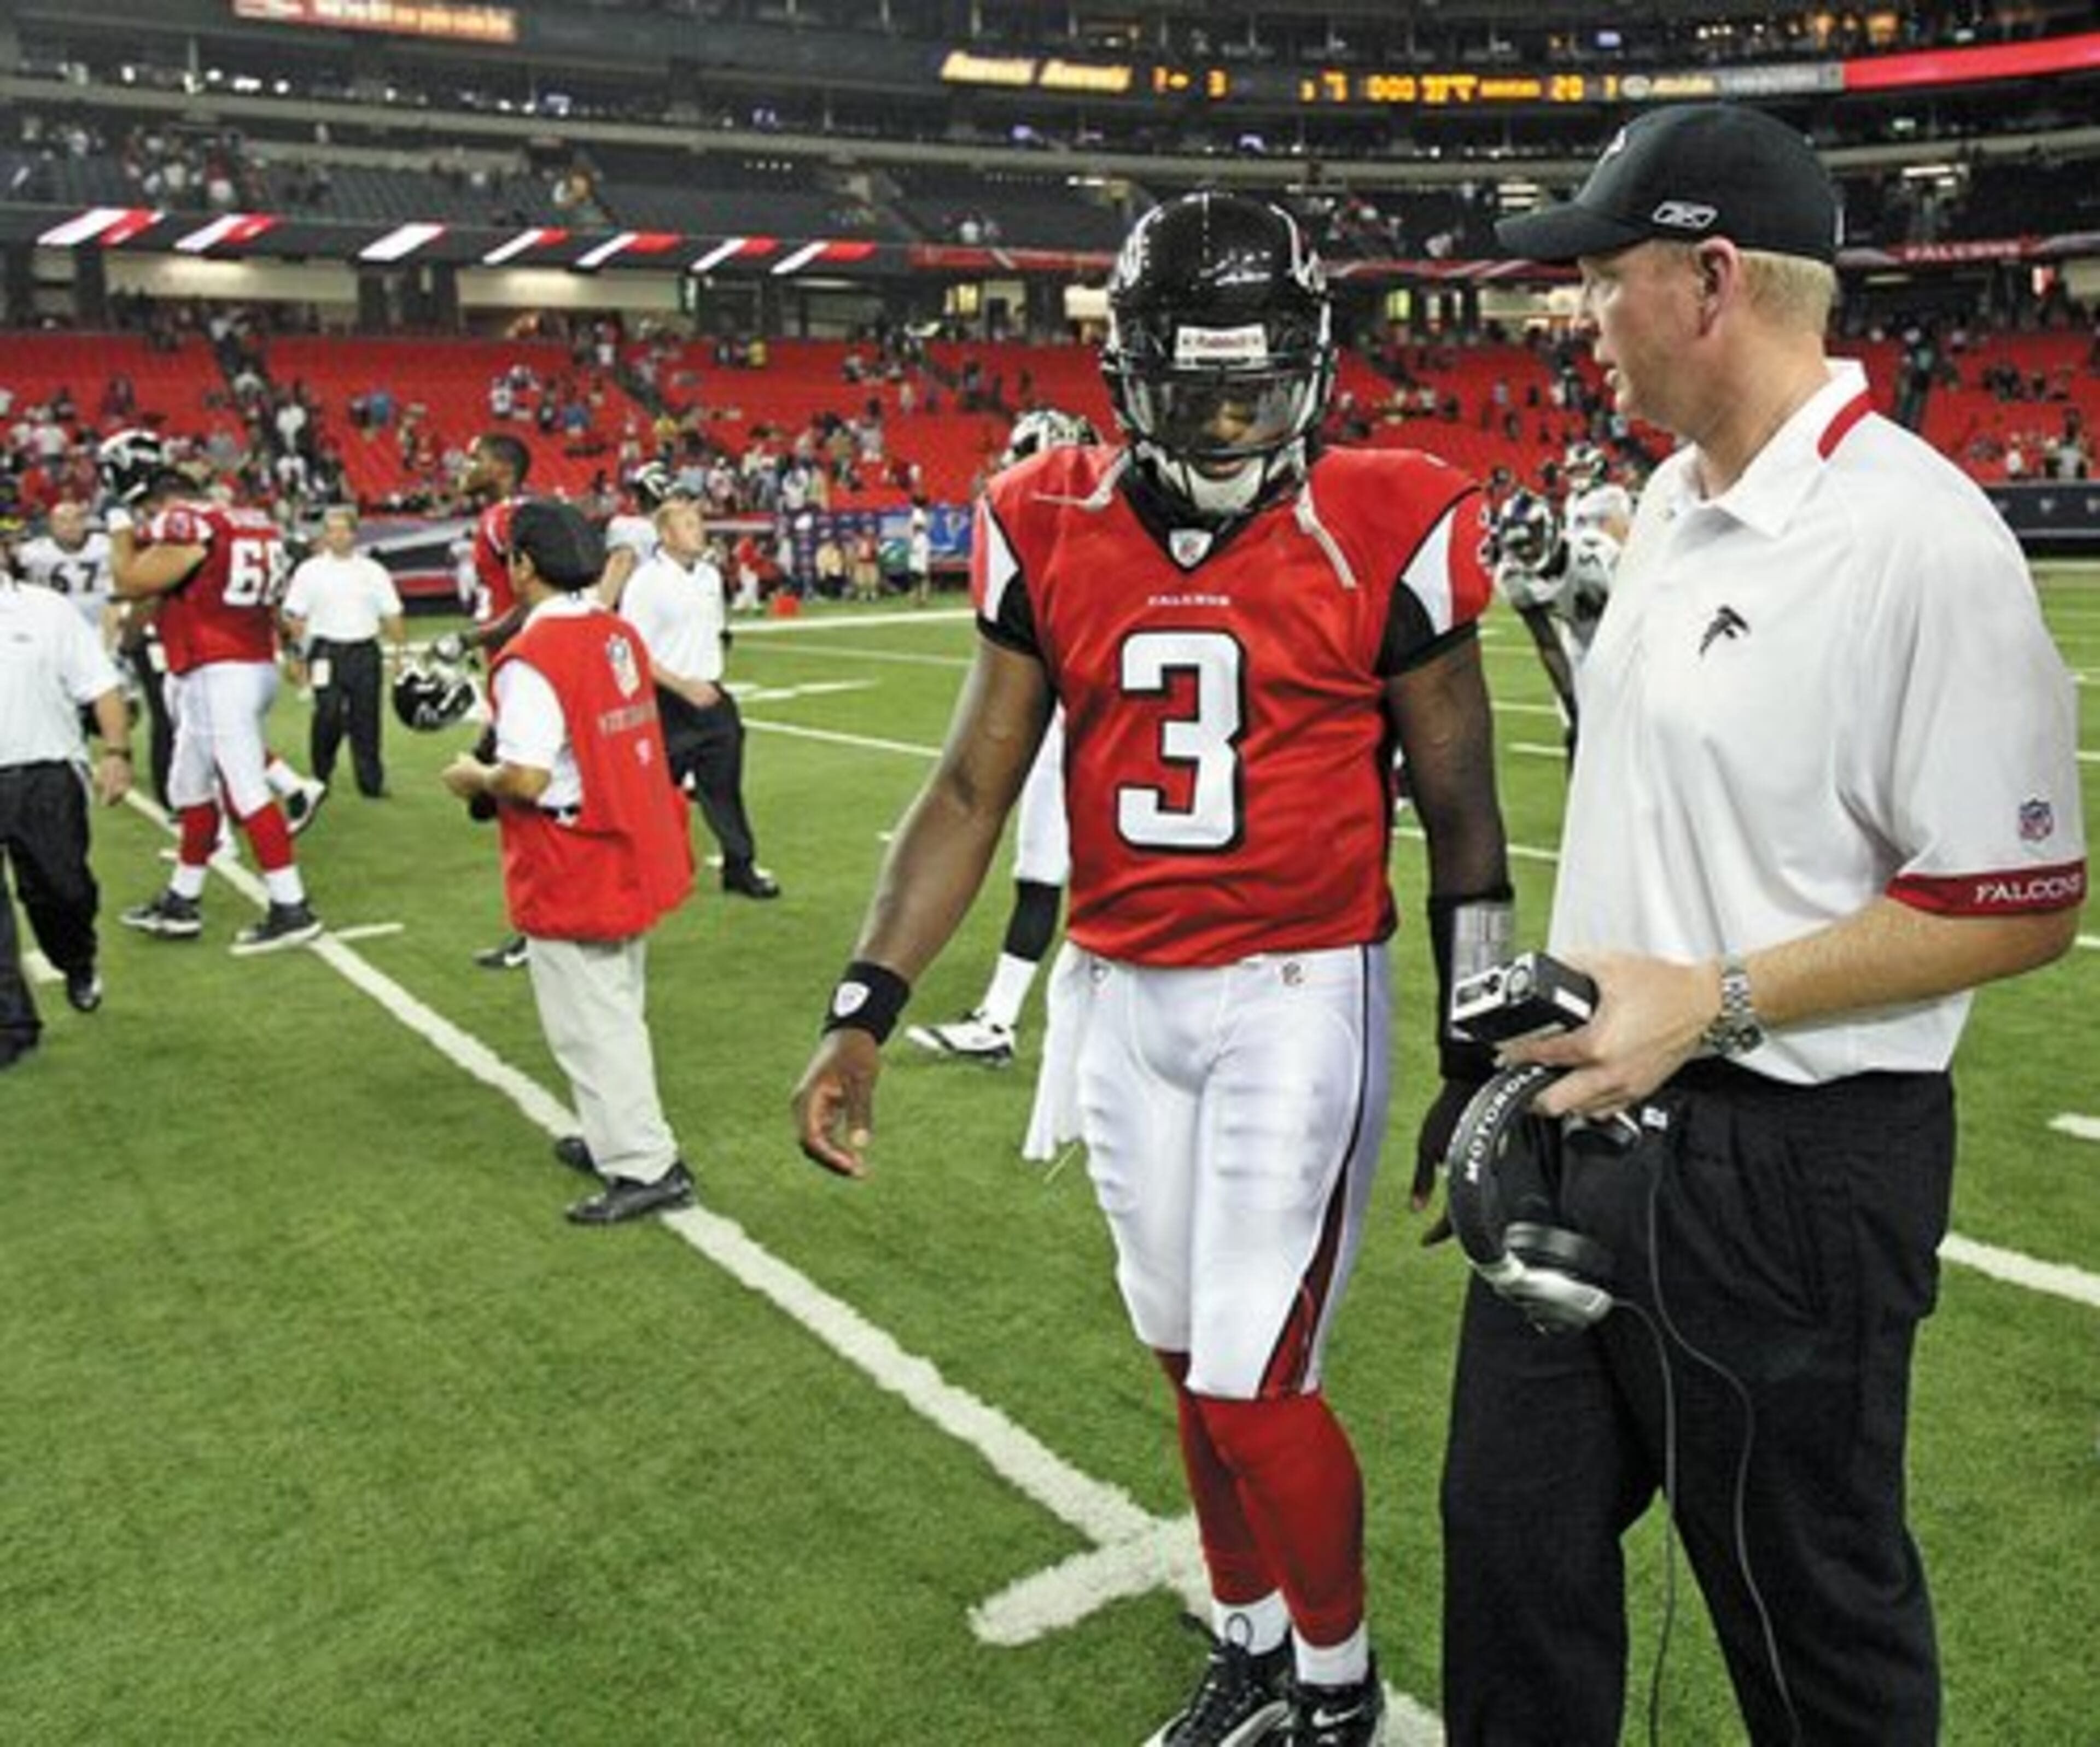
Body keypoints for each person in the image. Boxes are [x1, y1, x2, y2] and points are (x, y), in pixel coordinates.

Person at [792, 192, 1512, 1747]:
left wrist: (1473, 1039)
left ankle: (1339, 1683)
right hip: (1117, 997)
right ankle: (1252, 1642)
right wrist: (867, 1002)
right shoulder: (1045, 513)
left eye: (1263, 383)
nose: (1238, 419)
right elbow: (972, 787)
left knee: (1257, 1377)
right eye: (1202, 390)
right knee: (1190, 1363)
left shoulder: (1391, 510)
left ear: (1315, 364)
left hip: (1297, 995)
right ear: (1132, 375)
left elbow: (1463, 803)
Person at [1439, 103, 2088, 1747]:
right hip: (1581, 1125)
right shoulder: (1664, 500)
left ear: (1710, 278)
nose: (1573, 315)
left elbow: (2012, 902)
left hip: (1785, 1177)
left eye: (1601, 276)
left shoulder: (1915, 540)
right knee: (1505, 1555)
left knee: (1808, 1627)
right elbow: (1669, 821)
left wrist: (1713, 997)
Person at [440, 499, 697, 1226]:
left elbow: (525, 776)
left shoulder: (534, 655)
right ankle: (620, 1131)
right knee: (618, 1000)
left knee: (590, 1018)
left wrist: (472, 776)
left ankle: (644, 1163)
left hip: (573, 848)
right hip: (628, 834)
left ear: (523, 564)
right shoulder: (614, 629)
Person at [905, 408, 1100, 1069]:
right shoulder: (1128, 531)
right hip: (1123, 724)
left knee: (1040, 874)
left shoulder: (1032, 525)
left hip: (1066, 724)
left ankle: (1000, 1019)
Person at [103, 431, 324, 955]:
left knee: (246, 791)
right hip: (248, 659)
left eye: (145, 514)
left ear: (156, 502)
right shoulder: (250, 518)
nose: (146, 527)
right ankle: (182, 899)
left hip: (215, 669)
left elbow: (131, 580)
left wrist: (117, 527)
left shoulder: (185, 522)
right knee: (189, 787)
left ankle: (291, 906)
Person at [619, 490, 782, 901]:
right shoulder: (645, 582)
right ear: (666, 534)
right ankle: (625, 870)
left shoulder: (709, 576)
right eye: (690, 525)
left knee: (724, 787)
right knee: (648, 794)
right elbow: (632, 652)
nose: (700, 531)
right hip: (666, 701)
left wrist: (707, 678)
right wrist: (682, 685)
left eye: (699, 523)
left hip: (711, 697)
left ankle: (739, 866)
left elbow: (714, 631)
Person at [0, 559, 132, 1062]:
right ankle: (13, 1026)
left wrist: (117, 753)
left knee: (63, 889)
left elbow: (100, 685)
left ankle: (76, 958)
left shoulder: (46, 610)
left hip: (45, 773)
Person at [442, 431, 534, 970]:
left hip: (523, 674)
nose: (466, 465)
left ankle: (536, 928)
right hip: (514, 674)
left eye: (477, 459)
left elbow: (533, 599)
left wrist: (469, 640)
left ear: (500, 468)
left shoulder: (507, 518)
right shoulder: (508, 515)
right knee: (495, 801)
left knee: (522, 805)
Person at [281, 505, 406, 800]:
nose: (336, 537)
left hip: (365, 651)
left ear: (354, 533)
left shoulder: (373, 571)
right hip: (325, 651)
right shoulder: (309, 571)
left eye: (343, 530)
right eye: (331, 530)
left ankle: (371, 783)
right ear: (324, 535)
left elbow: (392, 614)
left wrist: (400, 654)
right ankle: (321, 775)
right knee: (328, 714)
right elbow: (294, 617)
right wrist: (296, 656)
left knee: (367, 720)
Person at [16, 499, 119, 653]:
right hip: (54, 625)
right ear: (51, 525)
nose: (70, 527)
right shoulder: (32, 552)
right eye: (62, 521)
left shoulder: (107, 546)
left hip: (102, 621)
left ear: (86, 522)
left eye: (77, 520)